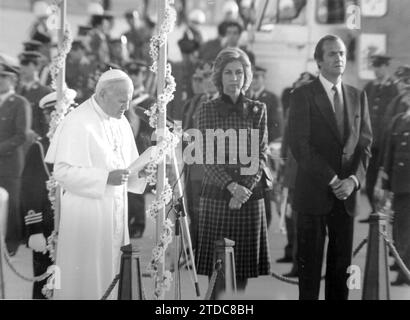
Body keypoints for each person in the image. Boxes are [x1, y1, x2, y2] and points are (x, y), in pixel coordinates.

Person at [44, 69, 148, 299]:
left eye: (129, 100)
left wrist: (144, 171)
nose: (126, 106)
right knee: (87, 281)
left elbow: (128, 168)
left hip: (116, 214)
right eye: (122, 100)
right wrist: (104, 178)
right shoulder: (78, 121)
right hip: (87, 215)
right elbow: (62, 172)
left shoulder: (121, 121)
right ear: (102, 94)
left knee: (113, 275)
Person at [288, 35, 372, 300]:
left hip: (345, 199)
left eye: (342, 54)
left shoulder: (357, 96)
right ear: (319, 61)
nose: (339, 59)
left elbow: (366, 145)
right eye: (333, 54)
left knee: (340, 271)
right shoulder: (303, 95)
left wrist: (353, 181)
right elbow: (299, 144)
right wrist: (333, 179)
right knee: (310, 272)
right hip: (313, 195)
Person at [195, 48, 271, 297]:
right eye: (228, 72)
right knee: (217, 276)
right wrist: (232, 187)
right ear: (219, 76)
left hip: (248, 200)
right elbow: (206, 157)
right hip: (218, 197)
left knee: (241, 279)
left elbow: (260, 154)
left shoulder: (258, 109)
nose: (234, 78)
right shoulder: (207, 109)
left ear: (246, 75)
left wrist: (244, 190)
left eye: (239, 72)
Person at [22, 89, 77, 299]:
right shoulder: (39, 149)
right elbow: (29, 192)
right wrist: (34, 229)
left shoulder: (80, 145)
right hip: (46, 228)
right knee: (45, 285)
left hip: (75, 225)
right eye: (59, 112)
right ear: (47, 116)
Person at [359, 55, 398, 223]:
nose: (376, 71)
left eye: (379, 67)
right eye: (374, 67)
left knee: (385, 182)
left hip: (386, 143)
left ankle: (385, 213)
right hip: (371, 142)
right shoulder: (369, 86)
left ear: (385, 67)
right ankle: (375, 212)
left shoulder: (394, 88)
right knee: (369, 182)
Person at [379, 88, 410, 286]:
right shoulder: (399, 119)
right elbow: (389, 153)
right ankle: (402, 267)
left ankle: (405, 273)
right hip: (400, 185)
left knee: (406, 230)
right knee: (400, 228)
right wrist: (385, 185)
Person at [0, 62, 31, 256]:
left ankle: (11, 243)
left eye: (4, 77)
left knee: (11, 204)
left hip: (11, 163)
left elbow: (22, 135)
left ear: (13, 80)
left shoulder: (20, 103)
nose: (0, 81)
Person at [248, 65, 283, 228]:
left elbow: (276, 125)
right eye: (252, 77)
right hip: (246, 151)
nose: (254, 80)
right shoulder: (245, 96)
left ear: (263, 79)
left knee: (265, 185)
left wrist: (266, 146)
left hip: (263, 150)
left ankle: (266, 220)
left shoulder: (271, 98)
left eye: (257, 77)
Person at [124, 60, 155, 239]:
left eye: (137, 73)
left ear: (143, 76)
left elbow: (151, 127)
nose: (134, 76)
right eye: (131, 73)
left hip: (140, 145)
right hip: (123, 146)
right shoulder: (124, 98)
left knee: (137, 184)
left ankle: (138, 222)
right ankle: (126, 220)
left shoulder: (148, 100)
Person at [17, 51, 52, 138]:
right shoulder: (18, 90)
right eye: (21, 64)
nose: (22, 68)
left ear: (37, 67)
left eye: (27, 64)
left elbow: (46, 122)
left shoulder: (44, 92)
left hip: (35, 140)